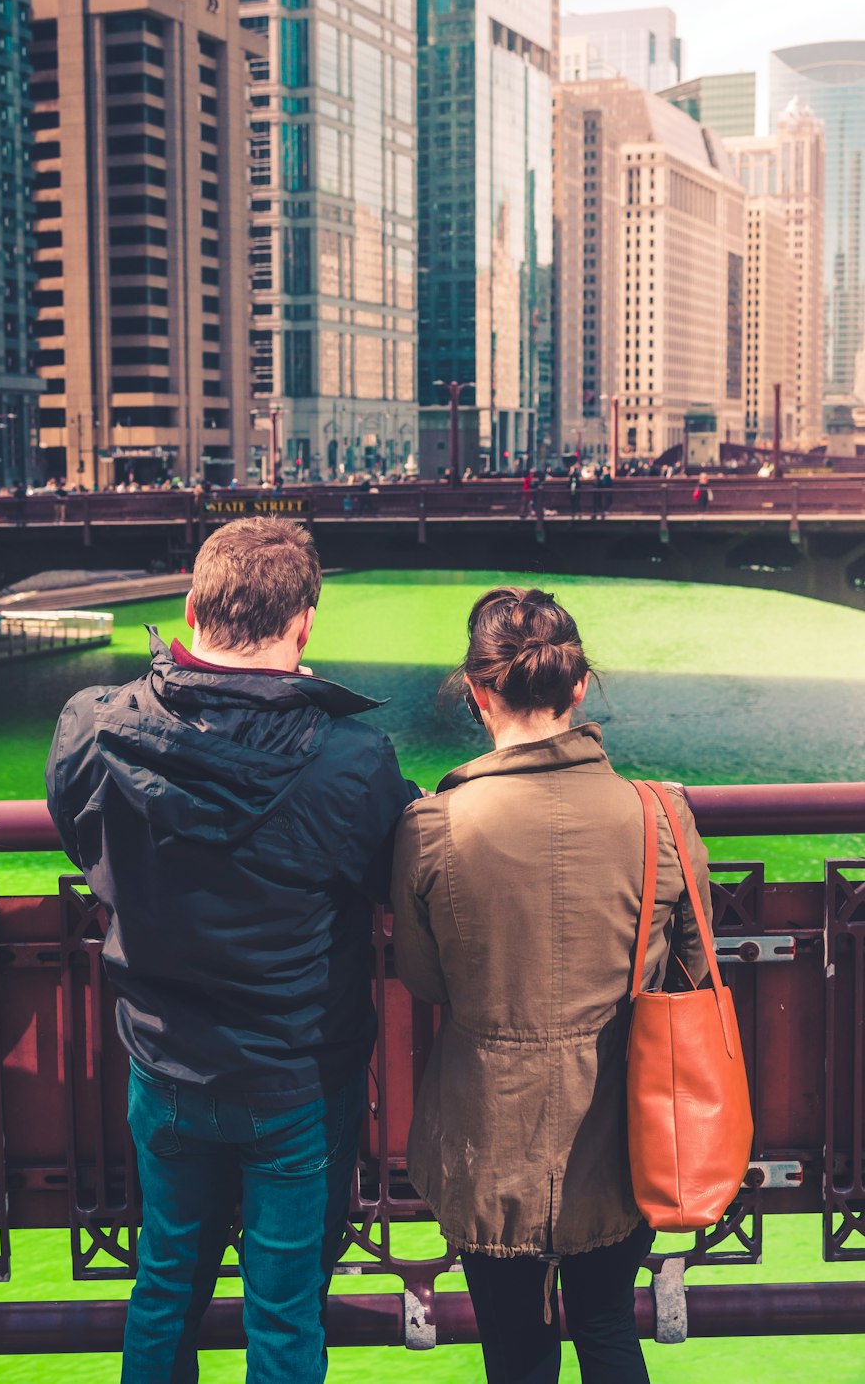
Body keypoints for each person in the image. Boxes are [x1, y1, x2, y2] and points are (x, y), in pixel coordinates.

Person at [46, 517, 418, 1384]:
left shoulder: (93, 728)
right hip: (291, 1079)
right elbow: (387, 878)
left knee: (164, 1287)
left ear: (190, 608)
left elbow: (79, 831)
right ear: (304, 626)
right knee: (283, 1314)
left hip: (164, 1063)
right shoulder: (351, 758)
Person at [392, 586, 712, 1384]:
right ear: (578, 686)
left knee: (515, 1352)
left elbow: (427, 983)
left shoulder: (434, 825)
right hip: (625, 1133)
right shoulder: (661, 815)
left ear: (477, 690)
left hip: (487, 1137)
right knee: (607, 1328)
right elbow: (696, 974)